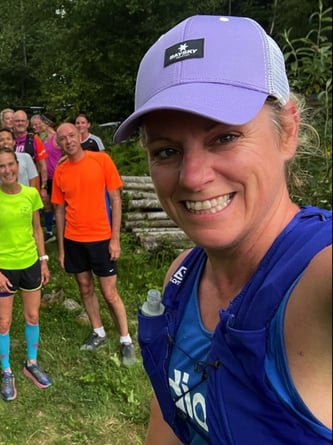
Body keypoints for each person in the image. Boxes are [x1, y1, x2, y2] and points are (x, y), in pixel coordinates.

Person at [113, 15, 332, 444]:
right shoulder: (182, 278)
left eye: (224, 138)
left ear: (287, 131)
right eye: (167, 150)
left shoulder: (318, 277)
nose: (192, 176)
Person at [51, 123, 135, 366]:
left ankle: (126, 339)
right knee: (85, 288)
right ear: (59, 143)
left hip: (101, 238)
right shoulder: (61, 171)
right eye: (63, 138)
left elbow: (115, 200)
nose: (68, 141)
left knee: (109, 293)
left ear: (80, 136)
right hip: (74, 239)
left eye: (71, 136)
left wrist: (115, 239)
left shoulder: (101, 160)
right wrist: (62, 249)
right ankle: (98, 331)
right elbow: (58, 210)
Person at [0, 146, 52, 402]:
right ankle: (6, 370)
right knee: (4, 322)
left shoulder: (31, 194)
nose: (7, 170)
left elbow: (38, 230)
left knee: (32, 316)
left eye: (11, 164)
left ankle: (31, 362)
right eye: (1, 166)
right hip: (4, 268)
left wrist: (43, 261)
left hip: (30, 263)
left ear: (18, 166)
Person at [31, 113, 61, 242]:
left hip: (57, 176)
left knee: (58, 205)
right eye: (33, 125)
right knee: (46, 203)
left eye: (37, 124)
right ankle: (49, 231)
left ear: (45, 123)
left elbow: (66, 153)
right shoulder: (37, 139)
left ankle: (62, 231)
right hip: (45, 177)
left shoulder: (57, 137)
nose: (35, 127)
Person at [12, 110, 48, 197]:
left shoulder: (34, 139)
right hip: (12, 185)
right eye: (17, 121)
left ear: (27, 123)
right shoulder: (7, 139)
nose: (20, 123)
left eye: (22, 121)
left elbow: (43, 166)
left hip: (31, 185)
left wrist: (43, 187)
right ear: (13, 123)